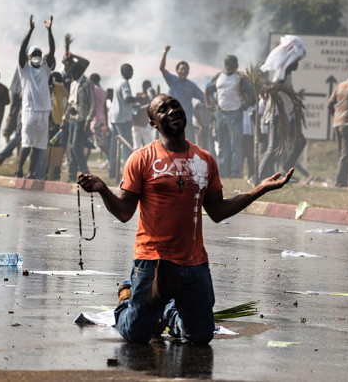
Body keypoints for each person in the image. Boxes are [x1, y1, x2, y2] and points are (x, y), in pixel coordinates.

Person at [77, 93, 293, 344]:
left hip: (194, 263)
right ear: (153, 124)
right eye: (162, 110)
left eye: (175, 106)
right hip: (152, 262)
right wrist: (103, 189)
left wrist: (260, 189)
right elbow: (125, 212)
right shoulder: (141, 158)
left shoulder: (204, 160)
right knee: (137, 335)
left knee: (200, 337)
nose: (171, 111)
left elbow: (218, 210)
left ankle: (167, 311)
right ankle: (128, 299)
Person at [257, 37, 307, 181]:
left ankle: (286, 170)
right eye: (296, 61)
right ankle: (257, 177)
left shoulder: (287, 74)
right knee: (273, 147)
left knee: (299, 142)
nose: (297, 64)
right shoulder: (282, 73)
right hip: (278, 116)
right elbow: (276, 85)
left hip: (287, 116)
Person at [16, 15, 56, 179]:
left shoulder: (45, 69)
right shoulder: (24, 69)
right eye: (35, 53)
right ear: (29, 57)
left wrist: (49, 30)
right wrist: (31, 30)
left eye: (40, 53)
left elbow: (52, 51)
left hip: (44, 111)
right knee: (27, 143)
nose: (38, 55)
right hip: (29, 111)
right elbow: (21, 49)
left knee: (38, 146)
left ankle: (31, 173)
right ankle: (19, 169)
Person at [205, 55, 254, 178]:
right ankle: (223, 172)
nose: (236, 66)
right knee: (222, 144)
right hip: (221, 113)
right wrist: (208, 103)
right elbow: (207, 88)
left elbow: (251, 92)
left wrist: (245, 104)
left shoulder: (240, 77)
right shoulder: (218, 76)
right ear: (227, 64)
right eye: (234, 63)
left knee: (235, 144)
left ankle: (235, 172)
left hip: (235, 113)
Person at [160, 46, 204, 143]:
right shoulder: (173, 80)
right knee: (172, 145)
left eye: (185, 69)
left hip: (186, 121)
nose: (183, 71)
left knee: (188, 145)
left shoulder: (191, 86)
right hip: (172, 120)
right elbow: (162, 68)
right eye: (181, 69)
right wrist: (165, 53)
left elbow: (203, 98)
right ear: (177, 71)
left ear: (188, 72)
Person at [327, 66, 348, 188]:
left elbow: (329, 104)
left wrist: (335, 115)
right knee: (346, 154)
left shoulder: (339, 86)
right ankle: (340, 182)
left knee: (342, 153)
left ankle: (342, 180)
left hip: (337, 123)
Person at [65, 62, 95, 182]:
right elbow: (70, 103)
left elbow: (93, 103)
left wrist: (88, 120)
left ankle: (86, 172)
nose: (72, 76)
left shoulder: (87, 84)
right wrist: (64, 118)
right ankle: (71, 175)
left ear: (80, 72)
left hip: (82, 119)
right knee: (72, 147)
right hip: (72, 118)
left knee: (75, 146)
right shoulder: (73, 84)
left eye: (74, 74)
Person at [108, 63, 136, 180]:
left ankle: (112, 171)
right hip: (123, 118)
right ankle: (127, 173)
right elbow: (128, 98)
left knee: (114, 145)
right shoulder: (124, 82)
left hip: (115, 117)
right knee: (126, 144)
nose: (132, 73)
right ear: (125, 72)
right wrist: (140, 98)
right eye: (130, 71)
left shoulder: (118, 81)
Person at [46, 72, 68, 181]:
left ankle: (48, 171)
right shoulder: (65, 89)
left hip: (54, 122)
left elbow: (51, 87)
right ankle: (56, 173)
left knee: (50, 147)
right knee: (58, 149)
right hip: (61, 123)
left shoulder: (57, 87)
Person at [89, 73, 110, 169]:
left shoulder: (93, 90)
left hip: (94, 120)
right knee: (100, 142)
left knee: (99, 143)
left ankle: (110, 159)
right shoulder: (102, 91)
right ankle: (110, 159)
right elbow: (105, 108)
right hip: (101, 120)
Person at [132, 80, 155, 148]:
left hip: (136, 124)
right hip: (145, 125)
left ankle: (136, 158)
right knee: (149, 146)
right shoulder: (148, 97)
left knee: (136, 146)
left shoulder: (138, 95)